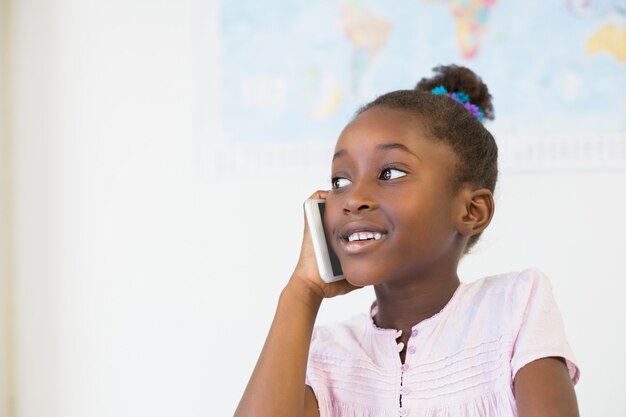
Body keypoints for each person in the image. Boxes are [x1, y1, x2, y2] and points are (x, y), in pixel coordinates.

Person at [234, 65, 580, 417]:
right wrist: (302, 292)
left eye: (391, 173)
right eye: (340, 180)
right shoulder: (325, 354)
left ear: (472, 211)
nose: (353, 198)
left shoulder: (514, 308)